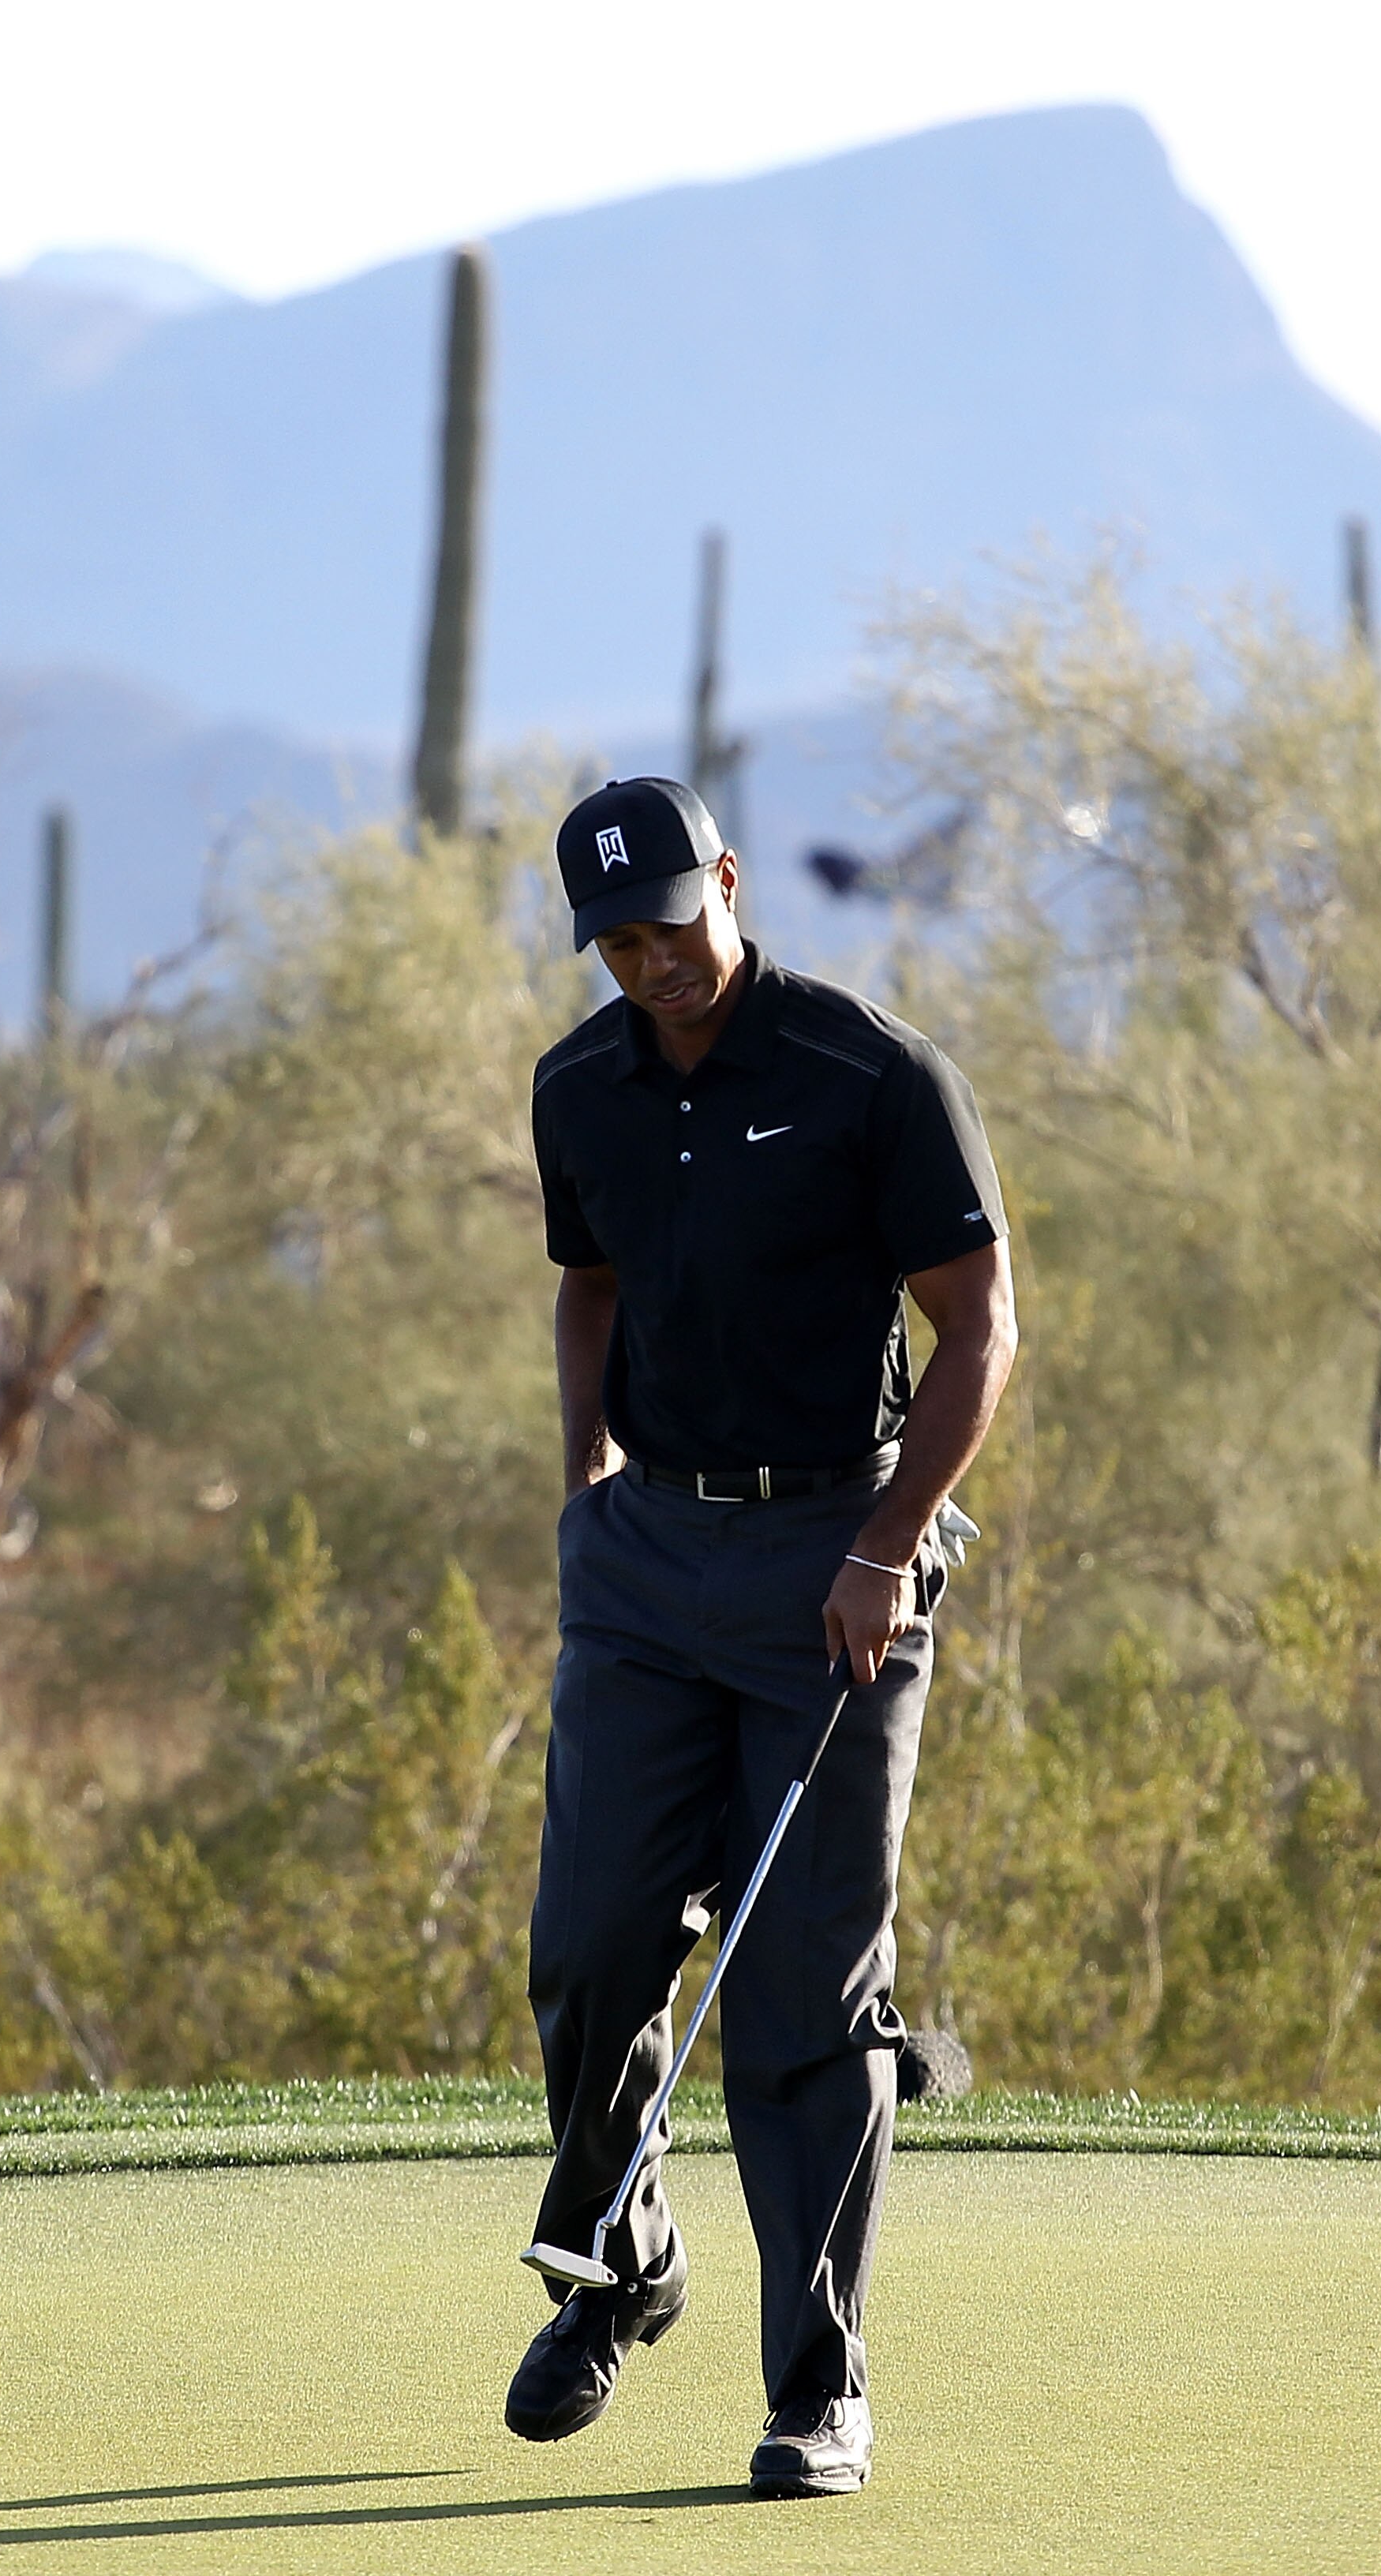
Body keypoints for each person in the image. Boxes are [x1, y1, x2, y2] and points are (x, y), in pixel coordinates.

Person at [507, 775, 1016, 2499]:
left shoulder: (874, 1076)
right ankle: (623, 2257)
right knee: (588, 1948)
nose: (652, 963)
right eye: (618, 942)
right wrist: (586, 1486)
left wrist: (887, 1544)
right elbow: (589, 1287)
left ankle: (819, 2391)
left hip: (834, 1558)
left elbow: (980, 1330)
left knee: (800, 1989)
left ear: (729, 881)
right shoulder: (577, 1087)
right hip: (647, 1557)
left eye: (672, 922)